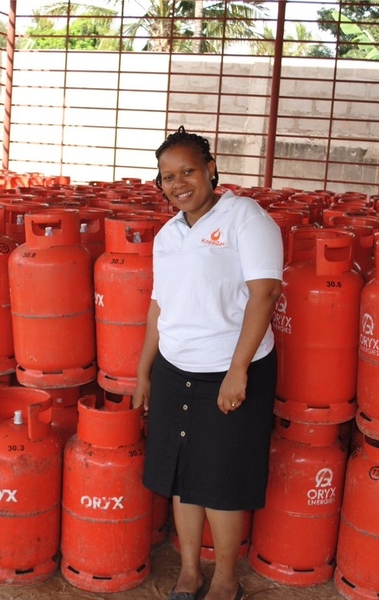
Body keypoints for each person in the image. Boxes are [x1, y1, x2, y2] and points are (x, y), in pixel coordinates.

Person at [132, 126, 283, 600]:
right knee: (183, 476)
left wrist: (238, 371)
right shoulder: (167, 235)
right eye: (167, 176)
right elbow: (160, 305)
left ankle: (224, 578)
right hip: (177, 370)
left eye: (188, 171)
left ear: (211, 169)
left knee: (219, 480)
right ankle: (190, 570)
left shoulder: (245, 217)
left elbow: (265, 293)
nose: (178, 183)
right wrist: (144, 371)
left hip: (230, 370)